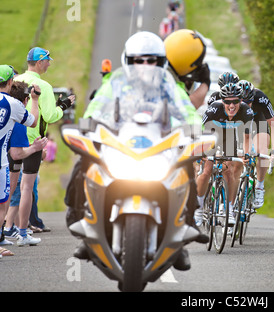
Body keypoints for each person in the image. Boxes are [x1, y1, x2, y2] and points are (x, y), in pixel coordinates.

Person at [67, 31, 208, 271]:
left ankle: (185, 228)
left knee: (185, 166)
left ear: (161, 62)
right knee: (86, 161)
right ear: (129, 61)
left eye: (151, 60)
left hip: (159, 146)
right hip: (122, 145)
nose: (145, 65)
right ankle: (84, 222)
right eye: (139, 60)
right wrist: (88, 125)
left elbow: (187, 111)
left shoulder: (169, 85)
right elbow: (97, 107)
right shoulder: (116, 83)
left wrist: (194, 130)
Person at [14, 47, 75, 246]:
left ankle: (9, 229)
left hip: (14, 138)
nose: (49, 63)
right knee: (26, 188)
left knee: (10, 186)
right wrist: (64, 105)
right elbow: (49, 116)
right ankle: (23, 232)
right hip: (34, 140)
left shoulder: (17, 80)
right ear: (40, 62)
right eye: (48, 60)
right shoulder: (44, 86)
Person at [196, 83, 254, 226]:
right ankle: (198, 209)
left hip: (229, 138)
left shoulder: (246, 113)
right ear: (222, 102)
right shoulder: (213, 110)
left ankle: (229, 209)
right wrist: (200, 151)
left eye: (235, 101)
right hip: (212, 136)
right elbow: (201, 132)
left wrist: (246, 154)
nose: (231, 105)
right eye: (227, 102)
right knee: (207, 171)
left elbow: (247, 138)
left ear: (241, 101)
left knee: (229, 173)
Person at [2, 81, 48, 243]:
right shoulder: (18, 120)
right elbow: (17, 153)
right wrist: (35, 148)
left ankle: (7, 230)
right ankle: (20, 232)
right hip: (8, 161)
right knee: (15, 194)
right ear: (25, 100)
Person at [236, 79, 274, 208]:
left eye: (249, 103)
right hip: (239, 125)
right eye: (243, 103)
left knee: (263, 153)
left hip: (258, 123)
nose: (246, 106)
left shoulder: (261, 98)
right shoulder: (231, 102)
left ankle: (259, 186)